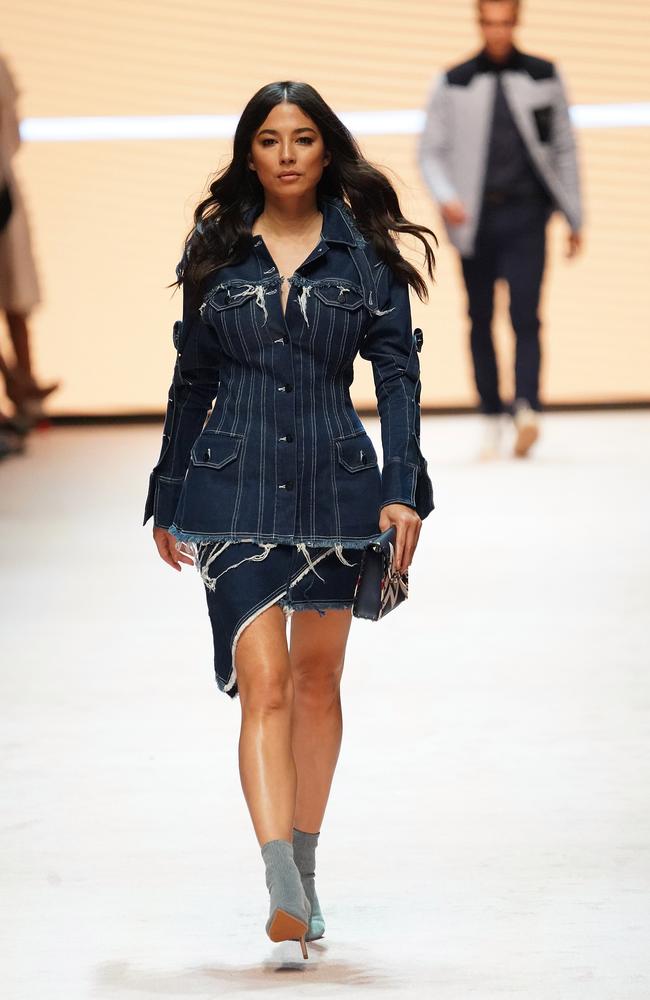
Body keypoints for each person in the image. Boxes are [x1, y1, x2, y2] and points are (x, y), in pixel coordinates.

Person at [143, 80, 436, 957]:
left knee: (316, 686)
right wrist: (166, 487)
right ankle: (277, 879)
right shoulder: (217, 246)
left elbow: (397, 378)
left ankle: (304, 868)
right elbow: (190, 377)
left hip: (336, 493)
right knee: (262, 686)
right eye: (269, 139)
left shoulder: (364, 258)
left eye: (302, 137)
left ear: (324, 148)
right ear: (249, 152)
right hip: (230, 488)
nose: (285, 153)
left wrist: (403, 487)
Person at [418, 0, 583, 458]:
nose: (497, 31)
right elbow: (430, 149)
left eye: (505, 23)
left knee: (527, 315)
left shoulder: (543, 76)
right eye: (490, 23)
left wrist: (575, 214)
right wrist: (447, 195)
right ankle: (491, 412)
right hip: (475, 219)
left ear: (515, 22)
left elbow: (564, 147)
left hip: (528, 214)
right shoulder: (454, 81)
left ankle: (526, 407)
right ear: (480, 24)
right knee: (480, 317)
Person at [0, 53, 59, 423]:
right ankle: (18, 384)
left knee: (16, 295)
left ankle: (24, 388)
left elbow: (13, 134)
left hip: (3, 192)